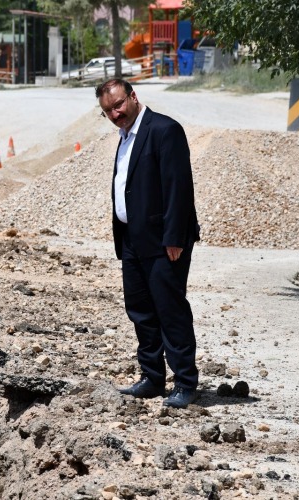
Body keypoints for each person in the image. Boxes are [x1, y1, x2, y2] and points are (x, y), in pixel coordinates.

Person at [95, 78, 201, 409]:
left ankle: (184, 382)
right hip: (132, 240)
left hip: (163, 241)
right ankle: (152, 377)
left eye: (118, 105)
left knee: (170, 311)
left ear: (133, 97)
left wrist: (173, 238)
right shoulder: (125, 137)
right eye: (107, 111)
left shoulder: (164, 130)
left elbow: (177, 188)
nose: (115, 114)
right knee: (141, 311)